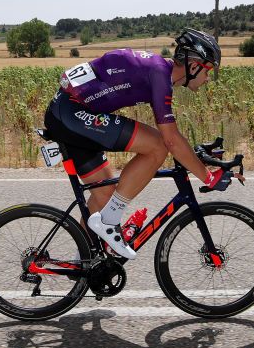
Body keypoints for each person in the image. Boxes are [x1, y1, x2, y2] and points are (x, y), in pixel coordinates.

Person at [43, 28, 229, 258]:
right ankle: (111, 221)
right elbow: (171, 140)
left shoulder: (159, 71)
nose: (208, 78)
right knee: (157, 146)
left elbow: (175, 138)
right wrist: (208, 177)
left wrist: (195, 155)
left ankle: (87, 262)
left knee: (105, 194)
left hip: (68, 113)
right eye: (208, 70)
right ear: (193, 65)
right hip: (71, 113)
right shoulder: (160, 74)